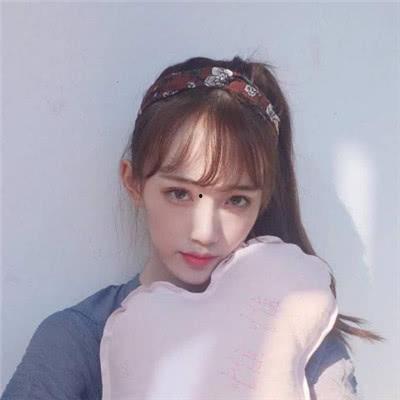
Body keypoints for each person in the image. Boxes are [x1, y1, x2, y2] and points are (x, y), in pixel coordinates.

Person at [1, 56, 385, 399]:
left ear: (263, 200)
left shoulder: (299, 331)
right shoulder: (78, 338)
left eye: (236, 200)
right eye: (180, 193)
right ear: (134, 182)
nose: (204, 232)